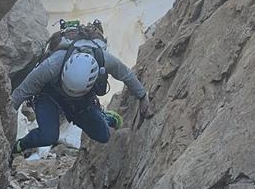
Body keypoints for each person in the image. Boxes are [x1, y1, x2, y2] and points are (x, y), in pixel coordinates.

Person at [10, 25, 150, 158]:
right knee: (48, 136)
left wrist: (143, 96)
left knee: (103, 135)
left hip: (82, 100)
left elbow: (126, 75)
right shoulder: (52, 65)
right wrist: (5, 120)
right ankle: (18, 146)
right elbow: (23, 91)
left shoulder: (104, 59)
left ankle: (103, 116)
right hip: (49, 94)